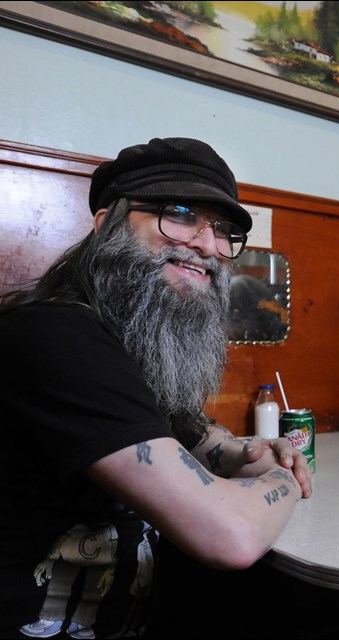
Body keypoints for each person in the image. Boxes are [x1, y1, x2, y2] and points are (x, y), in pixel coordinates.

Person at [0, 137, 312, 638]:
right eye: (181, 214)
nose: (209, 246)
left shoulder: (131, 340)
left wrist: (252, 451)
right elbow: (229, 536)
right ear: (107, 225)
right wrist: (286, 480)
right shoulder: (55, 334)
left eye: (223, 230)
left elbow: (205, 440)